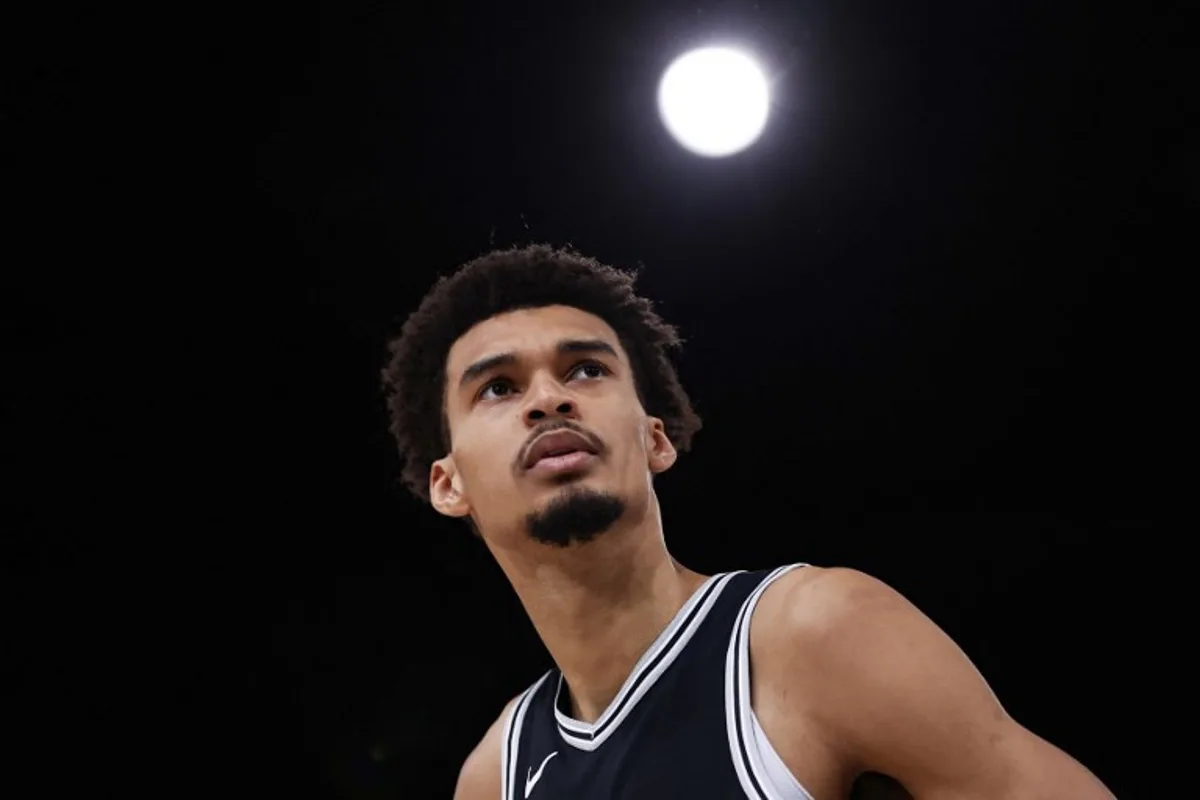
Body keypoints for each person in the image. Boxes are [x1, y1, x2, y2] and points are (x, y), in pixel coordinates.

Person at [381, 245, 1113, 799]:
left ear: (655, 438)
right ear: (449, 484)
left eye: (585, 370)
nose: (549, 398)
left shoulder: (815, 632)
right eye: (500, 387)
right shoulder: (498, 773)